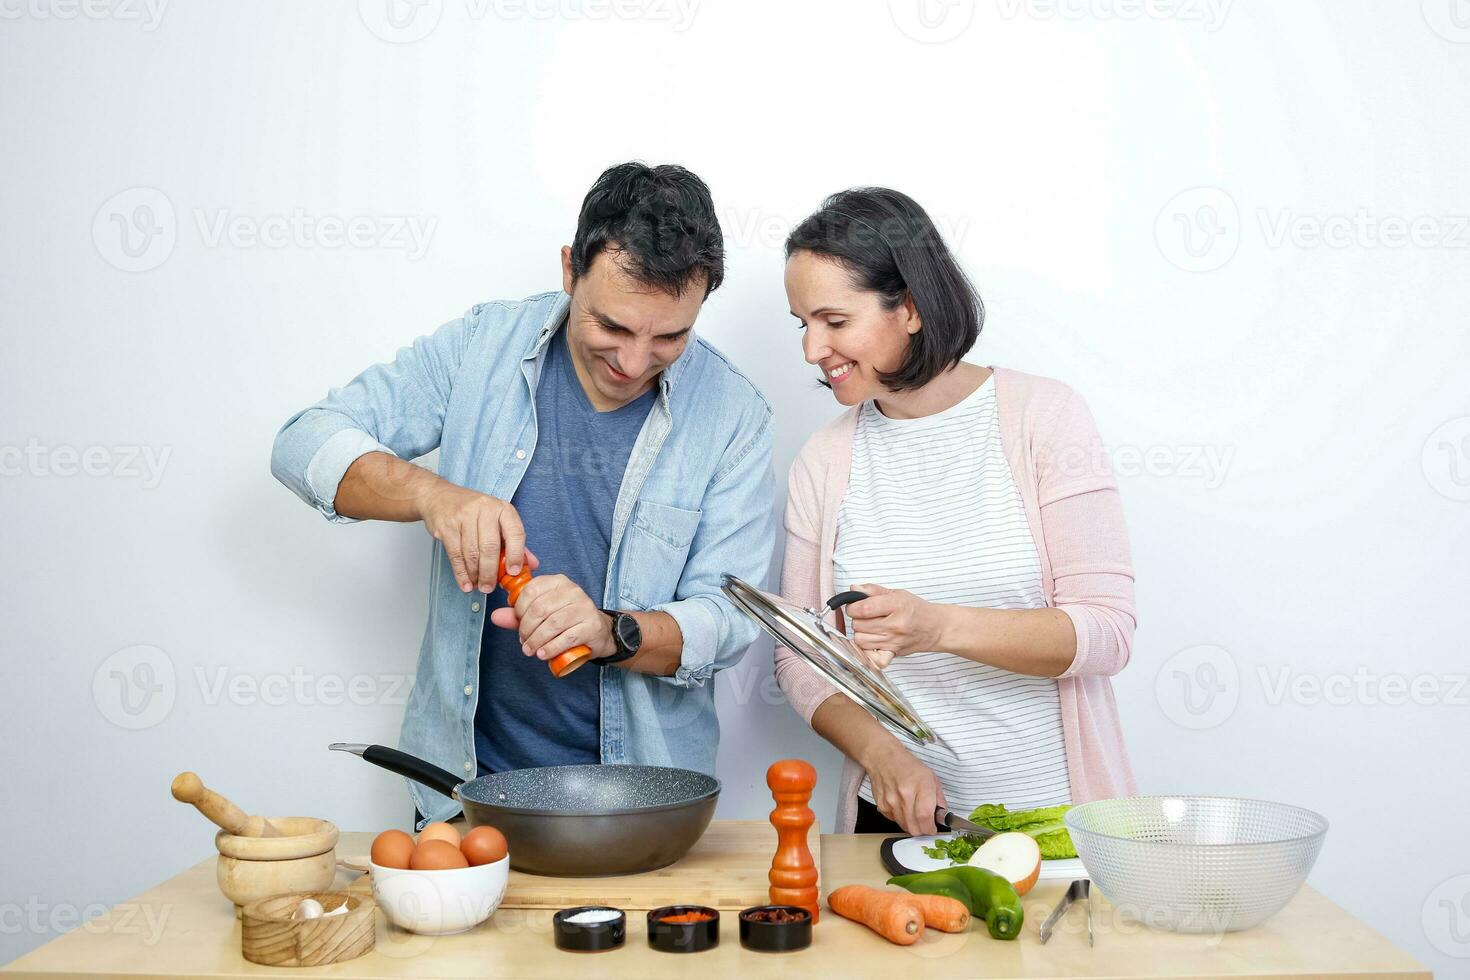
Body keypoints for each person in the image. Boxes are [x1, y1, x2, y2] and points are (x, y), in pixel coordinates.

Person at [272, 162, 775, 828]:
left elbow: (730, 618)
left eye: (670, 337)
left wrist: (607, 632)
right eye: (614, 328)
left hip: (644, 810)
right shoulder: (482, 346)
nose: (633, 362)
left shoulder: (735, 414)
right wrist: (433, 494)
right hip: (462, 796)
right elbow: (304, 443)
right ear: (571, 269)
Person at [774, 188, 1137, 836]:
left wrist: (937, 627)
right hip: (896, 832)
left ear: (909, 308)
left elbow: (1107, 633)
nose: (811, 349)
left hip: (1059, 828)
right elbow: (801, 656)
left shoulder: (1045, 419)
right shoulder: (823, 462)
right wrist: (881, 754)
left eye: (833, 321)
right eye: (802, 323)